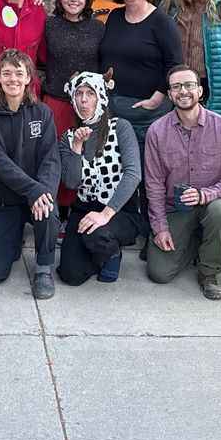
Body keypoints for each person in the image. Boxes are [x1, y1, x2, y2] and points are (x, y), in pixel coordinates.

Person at [143, 65, 221, 300]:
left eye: (189, 85)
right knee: (159, 273)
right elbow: (154, 185)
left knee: (220, 211)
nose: (183, 91)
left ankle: (209, 272)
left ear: (200, 91)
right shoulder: (157, 132)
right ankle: (198, 243)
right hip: (176, 209)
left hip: (212, 206)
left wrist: (206, 194)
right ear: (169, 94)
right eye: (176, 87)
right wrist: (160, 228)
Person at [0, 49, 60, 299]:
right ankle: (12, 238)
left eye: (19, 73)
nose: (13, 78)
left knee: (48, 209)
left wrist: (41, 191)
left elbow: (50, 158)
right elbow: (0, 164)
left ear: (28, 79)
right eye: (7, 73)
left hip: (36, 197)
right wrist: (31, 189)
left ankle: (44, 268)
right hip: (5, 200)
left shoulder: (42, 112)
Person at [57, 72, 145, 285]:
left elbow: (133, 174)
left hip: (119, 209)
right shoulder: (68, 137)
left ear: (101, 97)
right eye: (79, 93)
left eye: (90, 93)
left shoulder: (120, 127)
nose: (84, 100)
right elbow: (71, 182)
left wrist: (105, 214)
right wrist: (77, 147)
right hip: (85, 207)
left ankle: (112, 253)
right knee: (70, 275)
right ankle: (97, 256)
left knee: (96, 234)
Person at [98, 0, 182, 145]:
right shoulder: (114, 17)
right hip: (113, 107)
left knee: (144, 165)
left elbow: (174, 64)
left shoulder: (162, 21)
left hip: (147, 111)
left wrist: (156, 99)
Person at [40, 0, 103, 137]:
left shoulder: (98, 28)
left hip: (89, 102)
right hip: (57, 100)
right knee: (56, 150)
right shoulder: (49, 25)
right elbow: (39, 59)